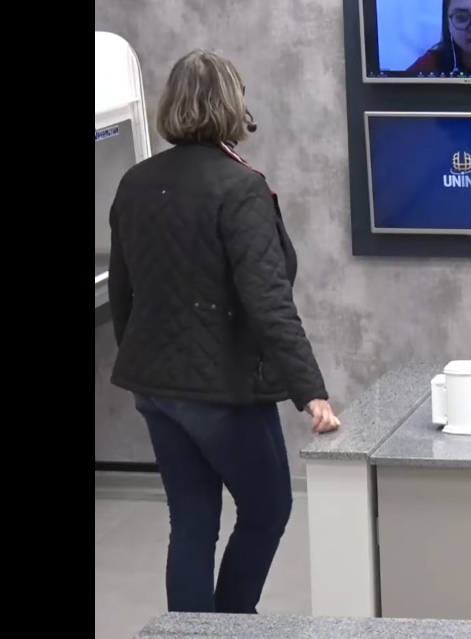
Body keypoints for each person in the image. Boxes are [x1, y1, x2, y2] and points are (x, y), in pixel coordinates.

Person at [107, 49, 341, 614]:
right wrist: (310, 391)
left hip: (155, 387)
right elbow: (268, 301)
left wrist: (145, 365)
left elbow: (122, 291)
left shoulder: (135, 182)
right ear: (234, 105)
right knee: (268, 508)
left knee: (190, 522)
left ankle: (195, 632)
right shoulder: (241, 188)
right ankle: (233, 622)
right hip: (223, 391)